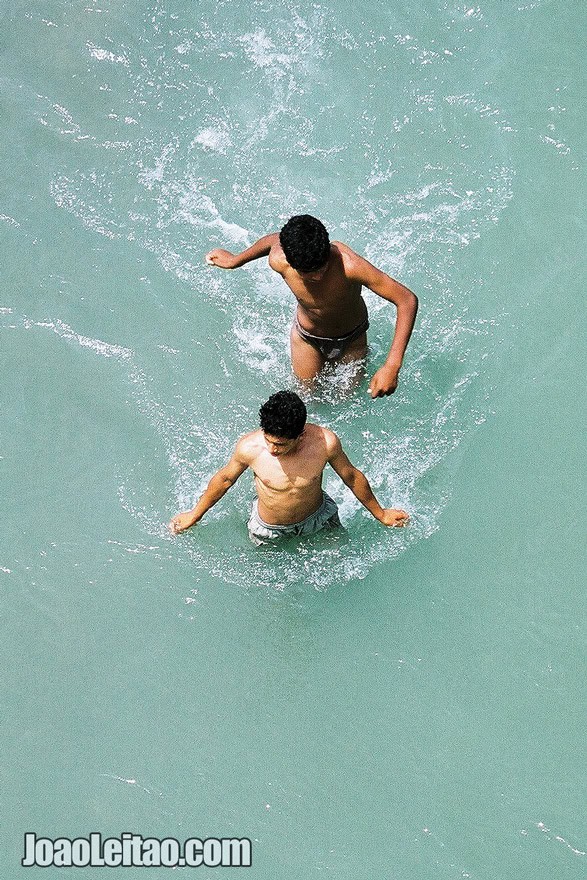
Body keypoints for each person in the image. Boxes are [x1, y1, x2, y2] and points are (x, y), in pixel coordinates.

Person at [205, 215, 418, 397]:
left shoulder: (350, 265)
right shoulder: (279, 260)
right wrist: (235, 260)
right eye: (308, 272)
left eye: (322, 267)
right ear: (289, 261)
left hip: (351, 340)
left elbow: (406, 300)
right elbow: (272, 241)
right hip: (307, 339)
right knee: (307, 397)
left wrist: (392, 366)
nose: (318, 275)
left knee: (347, 399)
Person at [169, 390, 409, 545]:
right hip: (268, 528)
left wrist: (381, 513)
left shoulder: (325, 443)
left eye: (281, 445)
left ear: (300, 436)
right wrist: (194, 514)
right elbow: (224, 480)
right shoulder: (250, 448)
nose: (272, 449)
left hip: (319, 518)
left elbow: (351, 476)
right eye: (269, 440)